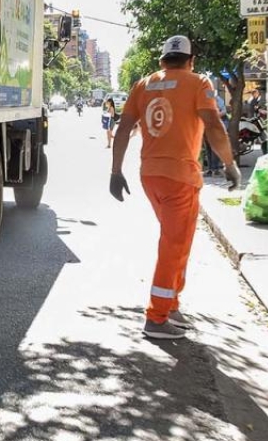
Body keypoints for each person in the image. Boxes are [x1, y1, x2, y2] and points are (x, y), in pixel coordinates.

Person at [110, 35, 240, 340]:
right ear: (190, 61)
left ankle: (171, 305)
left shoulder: (143, 84)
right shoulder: (198, 83)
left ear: (162, 61)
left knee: (176, 240)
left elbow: (124, 128)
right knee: (174, 245)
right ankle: (156, 317)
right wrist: (229, 164)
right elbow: (214, 125)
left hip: (150, 176)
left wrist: (115, 172)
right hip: (180, 176)